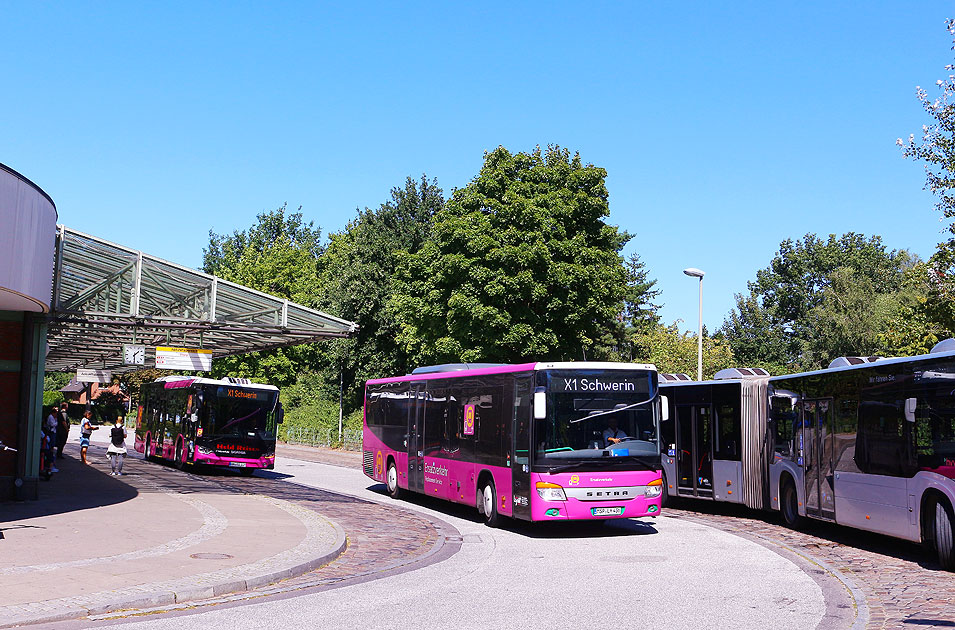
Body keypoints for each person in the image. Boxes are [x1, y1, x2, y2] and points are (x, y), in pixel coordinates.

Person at [43, 407, 59, 472]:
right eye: (56, 413)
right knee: (51, 447)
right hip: (51, 432)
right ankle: (50, 465)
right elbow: (52, 424)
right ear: (53, 413)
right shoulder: (51, 417)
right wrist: (57, 423)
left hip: (53, 432)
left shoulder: (52, 417)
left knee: (52, 447)